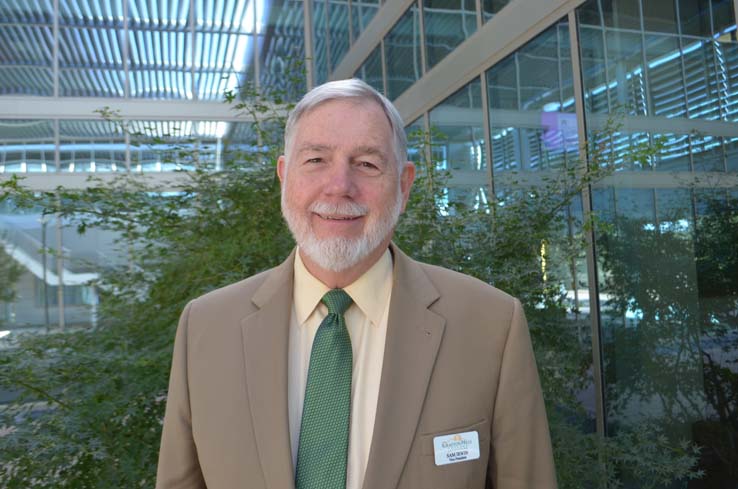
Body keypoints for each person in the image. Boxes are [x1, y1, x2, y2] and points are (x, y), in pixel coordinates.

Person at [156, 79, 557, 489]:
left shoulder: (490, 325)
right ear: (283, 176)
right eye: (315, 160)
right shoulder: (206, 328)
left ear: (403, 184)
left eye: (366, 164)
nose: (339, 186)